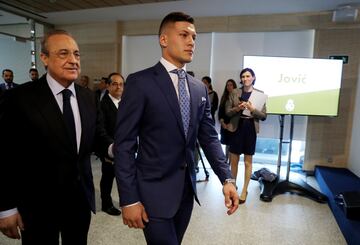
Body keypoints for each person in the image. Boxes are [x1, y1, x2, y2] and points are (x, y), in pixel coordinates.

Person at [114, 12, 239, 245]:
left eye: (194, 37)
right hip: (152, 192)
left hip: (185, 193)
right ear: (163, 39)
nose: (191, 42)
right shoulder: (140, 82)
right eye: (183, 35)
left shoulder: (198, 89)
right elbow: (124, 145)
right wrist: (128, 199)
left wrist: (227, 179)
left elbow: (209, 138)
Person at [0, 30, 113, 245]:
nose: (73, 60)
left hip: (80, 201)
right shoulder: (19, 98)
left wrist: (113, 148)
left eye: (77, 54)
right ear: (44, 58)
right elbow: (5, 154)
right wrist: (6, 207)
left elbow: (97, 137)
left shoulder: (88, 97)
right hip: (37, 204)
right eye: (63, 54)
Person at [226, 68, 267, 203]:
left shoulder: (260, 94)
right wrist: (238, 108)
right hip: (237, 128)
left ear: (253, 77)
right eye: (243, 76)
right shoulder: (234, 92)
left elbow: (264, 116)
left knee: (248, 161)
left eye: (248, 76)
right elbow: (227, 113)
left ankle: (244, 190)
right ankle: (233, 187)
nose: (245, 78)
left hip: (250, 128)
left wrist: (252, 109)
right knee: (234, 161)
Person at [99, 72, 124, 216]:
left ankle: (126, 202)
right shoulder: (102, 105)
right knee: (108, 178)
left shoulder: (126, 103)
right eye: (114, 84)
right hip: (110, 150)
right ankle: (106, 204)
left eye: (121, 84)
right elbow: (101, 130)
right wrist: (107, 151)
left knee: (124, 177)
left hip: (126, 150)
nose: (118, 87)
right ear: (108, 86)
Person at [218, 79, 237, 163]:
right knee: (227, 144)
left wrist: (231, 123)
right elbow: (220, 112)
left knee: (233, 145)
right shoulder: (224, 97)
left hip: (234, 125)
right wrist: (222, 123)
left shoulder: (237, 98)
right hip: (224, 124)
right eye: (227, 85)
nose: (229, 87)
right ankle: (226, 161)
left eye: (231, 85)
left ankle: (231, 163)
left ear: (234, 86)